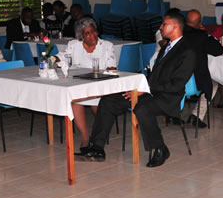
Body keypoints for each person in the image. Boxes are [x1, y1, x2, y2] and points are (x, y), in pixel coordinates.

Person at [78, 9, 196, 168]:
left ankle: (160, 148)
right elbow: (154, 76)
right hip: (151, 92)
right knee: (108, 101)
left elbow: (176, 84)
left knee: (142, 108)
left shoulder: (187, 50)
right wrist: (137, 86)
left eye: (164, 24)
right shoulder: (166, 47)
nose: (161, 27)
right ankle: (97, 147)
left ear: (175, 26)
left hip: (169, 97)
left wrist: (146, 89)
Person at [61, 17, 116, 148]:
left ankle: (99, 134)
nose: (92, 35)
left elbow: (111, 65)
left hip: (100, 87)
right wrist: (55, 59)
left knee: (97, 106)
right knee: (75, 101)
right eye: (87, 33)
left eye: (94, 31)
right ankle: (85, 137)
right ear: (81, 37)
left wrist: (110, 69)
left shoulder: (106, 46)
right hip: (80, 86)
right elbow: (63, 57)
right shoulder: (73, 45)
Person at [183, 9, 223, 127]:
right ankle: (197, 115)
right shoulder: (201, 36)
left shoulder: (177, 33)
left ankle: (172, 115)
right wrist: (205, 32)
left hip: (177, 79)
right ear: (199, 23)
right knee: (214, 83)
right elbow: (218, 50)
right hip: (194, 82)